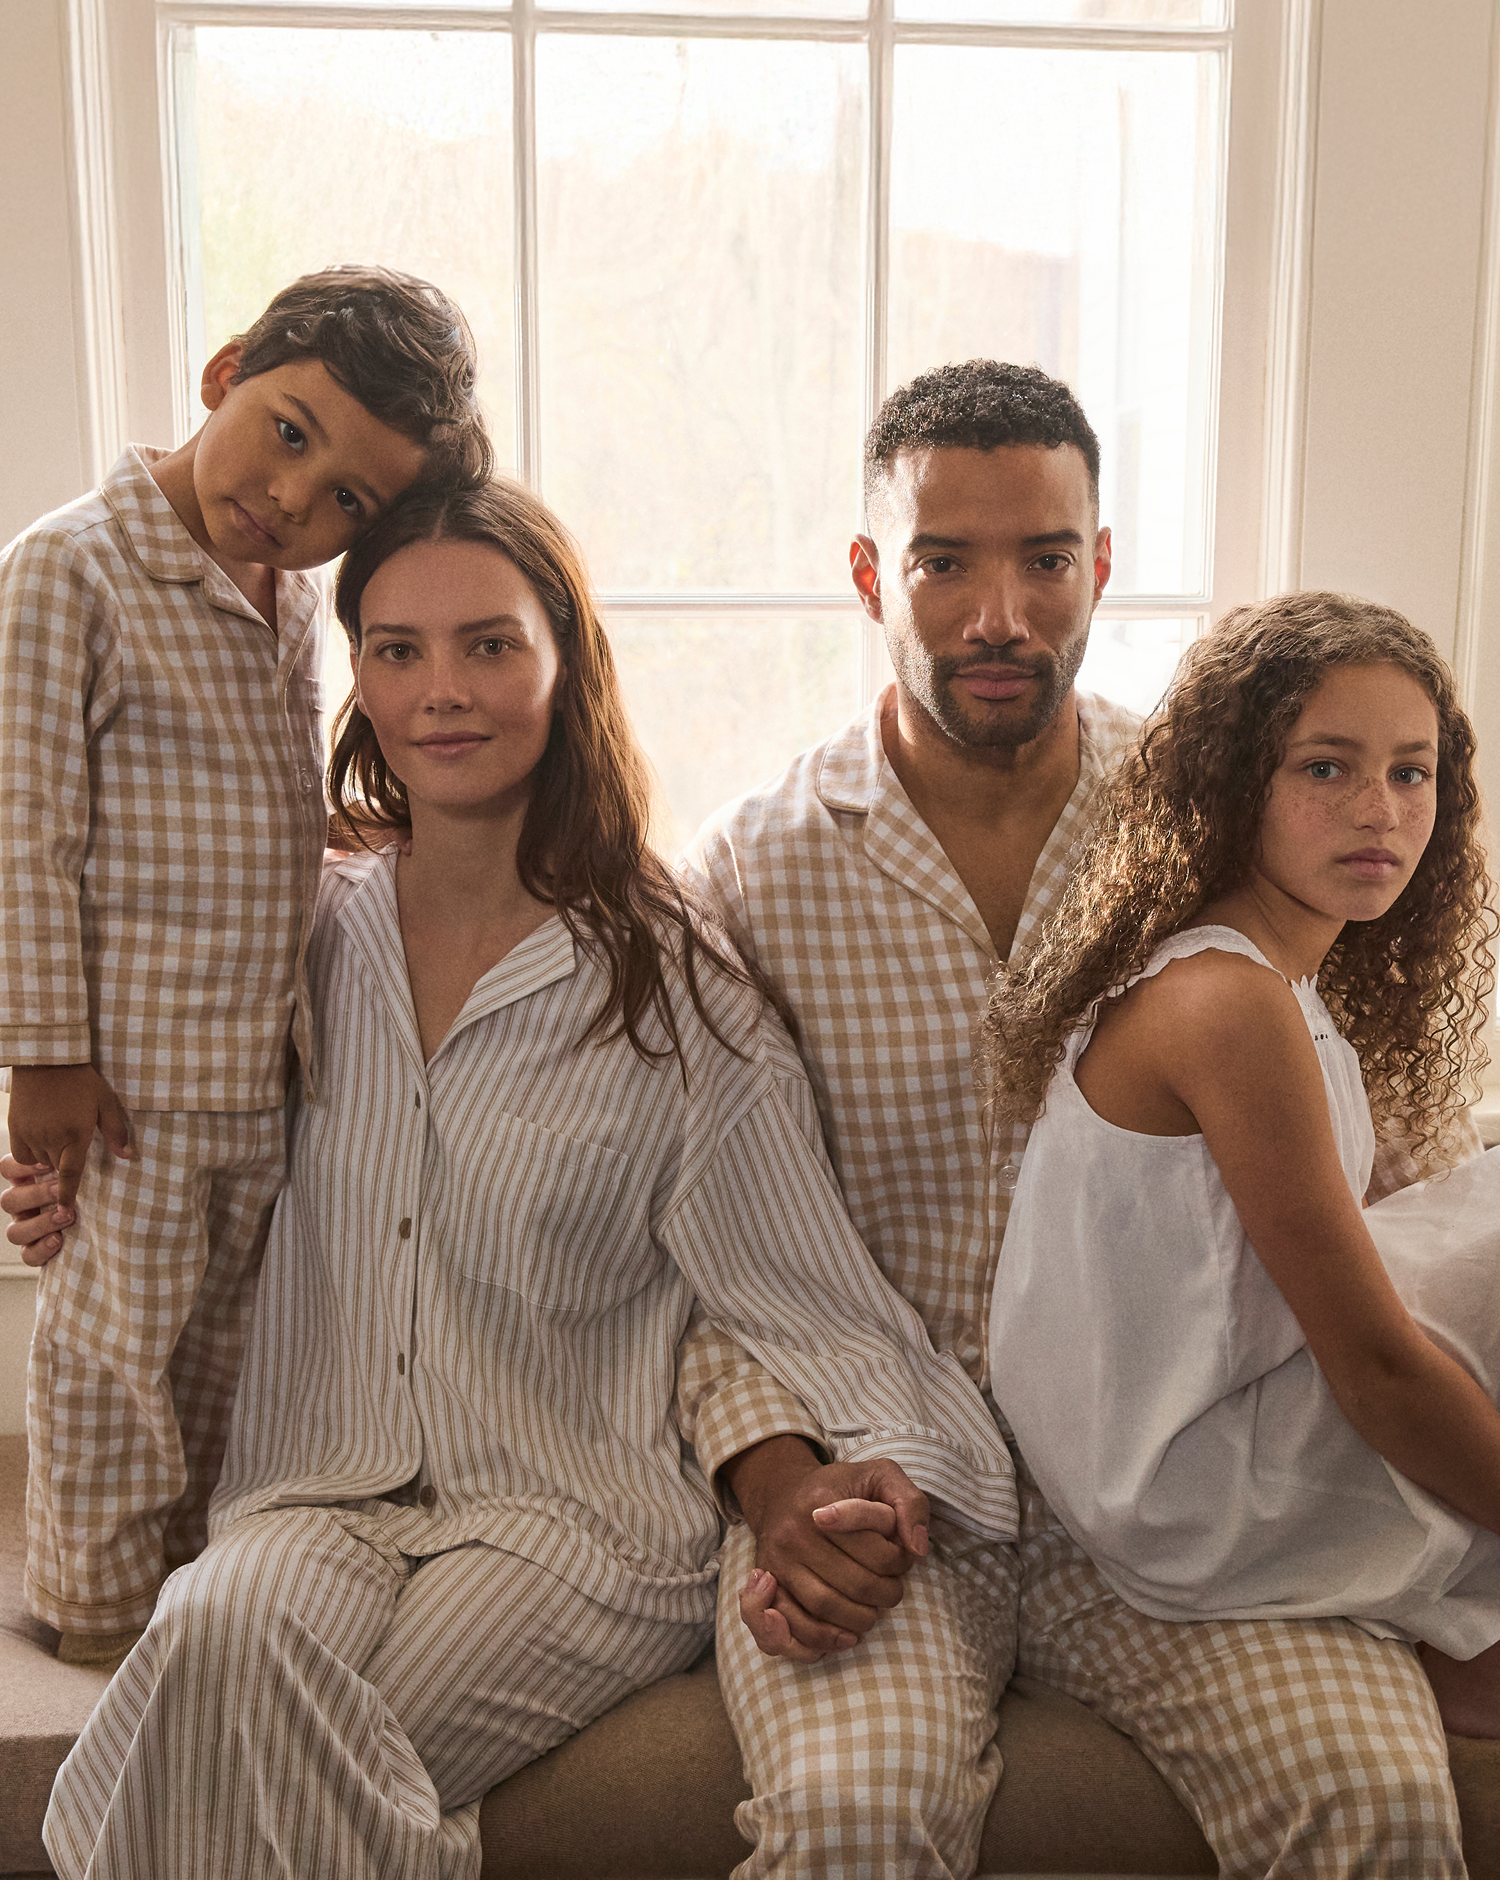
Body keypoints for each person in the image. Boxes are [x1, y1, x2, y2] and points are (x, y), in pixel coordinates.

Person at [37, 476, 1015, 1880]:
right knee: (208, 1639)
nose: (444, 691)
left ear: (565, 661)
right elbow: (170, 1148)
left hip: (576, 1529)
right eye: (397, 649)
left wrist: (895, 1472)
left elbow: (805, 1289)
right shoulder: (295, 943)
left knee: (222, 1739)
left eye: (490, 644)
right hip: (310, 1490)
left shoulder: (675, 984)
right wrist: (60, 1185)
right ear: (356, 678)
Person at [677, 361, 1476, 1875]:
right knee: (852, 1818)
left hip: (1190, 1494)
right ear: (869, 576)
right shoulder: (752, 874)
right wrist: (776, 1481)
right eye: (942, 561)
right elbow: (711, 1245)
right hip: (897, 1485)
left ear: (1099, 565)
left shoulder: (1227, 822)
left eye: (1045, 560)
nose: (999, 615)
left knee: (1376, 1801)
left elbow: (1388, 1165)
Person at [0, 263, 491, 1668]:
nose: (297, 499)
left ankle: (181, 1586)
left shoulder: (278, 594)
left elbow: (249, 785)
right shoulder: (69, 569)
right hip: (124, 1081)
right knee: (112, 1357)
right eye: (289, 434)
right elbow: (23, 828)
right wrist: (42, 1056)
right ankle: (91, 1608)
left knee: (220, 1354)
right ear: (224, 375)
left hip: (251, 1062)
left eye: (346, 498)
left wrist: (345, 827)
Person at [986, 590, 1500, 1738]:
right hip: (1185, 1493)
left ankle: (1456, 1622)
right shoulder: (1228, 1001)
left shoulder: (1271, 980)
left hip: (1184, 1447)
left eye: (1413, 773)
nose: (1379, 809)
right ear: (1237, 787)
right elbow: (1374, 1364)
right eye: (1327, 767)